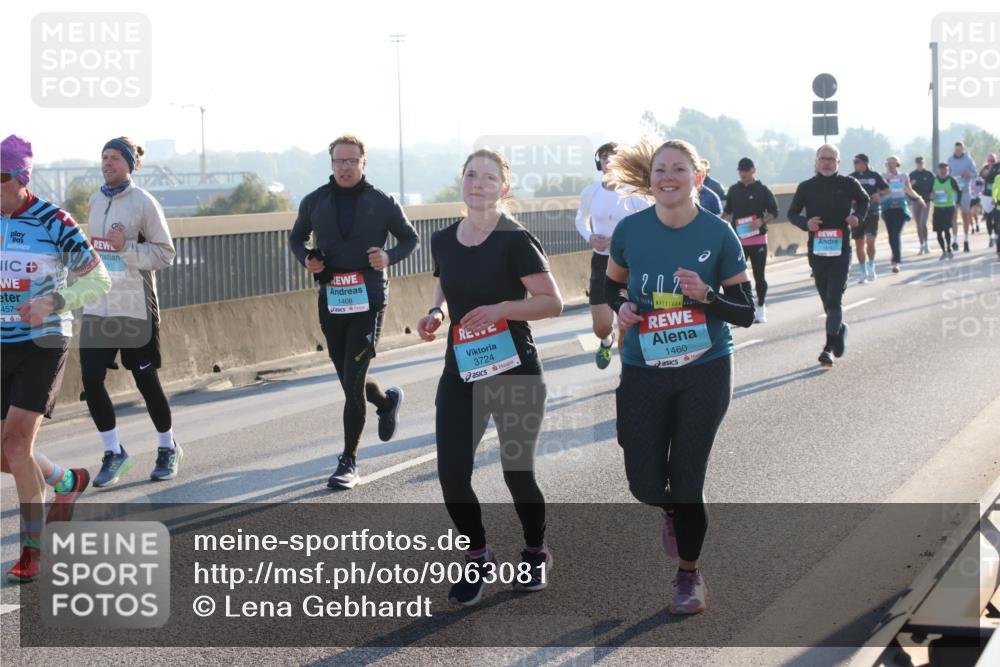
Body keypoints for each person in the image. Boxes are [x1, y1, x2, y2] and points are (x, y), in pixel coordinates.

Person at [604, 139, 755, 616]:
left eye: (679, 169)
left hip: (704, 370)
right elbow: (608, 284)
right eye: (660, 170)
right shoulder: (630, 230)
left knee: (689, 480)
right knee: (645, 483)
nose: (668, 177)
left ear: (698, 178)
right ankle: (668, 507)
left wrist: (708, 297)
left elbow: (747, 312)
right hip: (643, 367)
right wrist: (621, 306)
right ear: (650, 180)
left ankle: (689, 575)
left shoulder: (720, 234)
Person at [416, 149, 563, 605]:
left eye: (488, 177)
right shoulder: (442, 239)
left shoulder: (514, 239)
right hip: (461, 368)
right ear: (461, 182)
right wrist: (436, 310)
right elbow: (446, 279)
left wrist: (502, 309)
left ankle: (536, 551)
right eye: (471, 175)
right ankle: (478, 553)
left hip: (514, 366)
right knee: (452, 473)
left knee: (517, 471)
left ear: (504, 187)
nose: (477, 183)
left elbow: (552, 302)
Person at [1, 134, 112, 582]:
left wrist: (53, 302)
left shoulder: (54, 221)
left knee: (16, 444)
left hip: (43, 342)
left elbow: (98, 280)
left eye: (0, 178)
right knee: (6, 454)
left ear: (20, 179)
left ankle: (34, 550)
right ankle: (66, 482)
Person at [289, 134, 418, 489]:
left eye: (351, 161)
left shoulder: (382, 201)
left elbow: (410, 238)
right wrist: (308, 260)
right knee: (350, 379)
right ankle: (386, 400)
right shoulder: (315, 201)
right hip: (332, 299)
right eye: (338, 161)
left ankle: (349, 461)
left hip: (370, 299)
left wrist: (389, 257)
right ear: (331, 164)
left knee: (353, 379)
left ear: (363, 163)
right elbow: (296, 238)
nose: (345, 167)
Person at [81, 137, 180, 486]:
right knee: (91, 379)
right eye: (103, 157)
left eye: (113, 158)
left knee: (145, 380)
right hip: (99, 305)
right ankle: (113, 451)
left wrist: (128, 248)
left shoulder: (144, 203)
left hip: (134, 305)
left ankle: (167, 447)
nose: (106, 163)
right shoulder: (94, 200)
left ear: (128, 164)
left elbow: (165, 254)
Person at [788, 144, 869, 368]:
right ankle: (839, 329)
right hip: (817, 251)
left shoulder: (848, 184)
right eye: (822, 158)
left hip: (841, 250)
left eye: (831, 159)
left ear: (838, 163)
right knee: (827, 301)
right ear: (816, 161)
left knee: (834, 300)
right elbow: (791, 213)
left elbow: (864, 201)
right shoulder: (806, 187)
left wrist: (857, 217)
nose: (826, 163)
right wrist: (807, 223)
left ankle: (828, 349)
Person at [574, 142, 649, 368]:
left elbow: (647, 223)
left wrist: (627, 242)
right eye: (604, 157)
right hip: (601, 261)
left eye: (612, 156)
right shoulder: (591, 192)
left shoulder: (635, 192)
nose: (607, 160)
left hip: (628, 263)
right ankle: (607, 340)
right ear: (599, 162)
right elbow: (580, 219)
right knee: (601, 327)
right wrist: (590, 236)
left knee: (626, 321)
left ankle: (627, 370)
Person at [722, 157, 778, 323]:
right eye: (740, 170)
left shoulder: (763, 190)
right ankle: (741, 308)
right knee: (736, 277)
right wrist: (716, 223)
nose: (743, 173)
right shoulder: (734, 190)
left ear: (754, 170)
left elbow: (774, 212)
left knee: (759, 276)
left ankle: (760, 307)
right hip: (739, 240)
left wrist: (761, 221)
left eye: (746, 170)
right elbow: (727, 212)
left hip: (758, 240)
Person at [848, 154, 889, 284]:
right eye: (854, 162)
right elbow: (844, 193)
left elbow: (887, 189)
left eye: (857, 162)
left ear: (864, 163)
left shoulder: (874, 175)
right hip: (857, 214)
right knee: (859, 244)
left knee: (870, 242)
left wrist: (879, 194)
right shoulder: (851, 177)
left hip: (872, 212)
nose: (855, 164)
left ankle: (871, 266)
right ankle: (863, 271)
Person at [881, 156, 921, 273]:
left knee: (896, 234)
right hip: (888, 208)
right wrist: (885, 190)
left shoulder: (903, 176)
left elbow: (909, 190)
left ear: (897, 164)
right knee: (891, 235)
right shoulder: (883, 177)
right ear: (886, 164)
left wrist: (918, 198)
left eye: (894, 163)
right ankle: (894, 254)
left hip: (900, 208)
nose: (891, 165)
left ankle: (896, 262)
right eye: (889, 163)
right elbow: (880, 191)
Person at [947, 141, 977, 252]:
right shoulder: (950, 159)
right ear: (954, 149)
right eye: (956, 149)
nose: (958, 151)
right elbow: (947, 174)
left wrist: (969, 174)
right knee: (953, 215)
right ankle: (954, 241)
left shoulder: (968, 160)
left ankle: (966, 240)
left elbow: (975, 174)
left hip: (964, 190)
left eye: (960, 149)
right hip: (954, 190)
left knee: (965, 215)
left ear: (963, 149)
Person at [931, 162, 962, 260]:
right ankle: (943, 251)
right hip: (937, 207)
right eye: (941, 169)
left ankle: (949, 249)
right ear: (938, 170)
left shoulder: (951, 180)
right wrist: (931, 197)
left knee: (946, 229)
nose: (943, 171)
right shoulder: (934, 180)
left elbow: (959, 191)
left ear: (947, 170)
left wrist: (957, 203)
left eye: (945, 169)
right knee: (938, 231)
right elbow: (929, 192)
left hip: (948, 207)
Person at [909, 157, 935, 254]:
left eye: (921, 163)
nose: (920, 164)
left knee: (922, 222)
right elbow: (907, 188)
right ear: (916, 164)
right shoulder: (912, 175)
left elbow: (934, 186)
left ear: (924, 163)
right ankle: (921, 245)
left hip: (926, 201)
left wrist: (933, 193)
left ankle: (926, 243)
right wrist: (911, 184)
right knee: (918, 224)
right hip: (915, 201)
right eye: (918, 163)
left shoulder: (929, 174)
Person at [983, 154, 999, 248]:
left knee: (996, 217)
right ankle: (990, 237)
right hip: (987, 196)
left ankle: (997, 237)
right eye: (989, 161)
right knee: (988, 217)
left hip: (996, 196)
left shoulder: (998, 167)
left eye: (993, 161)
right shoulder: (985, 168)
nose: (991, 163)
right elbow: (982, 177)